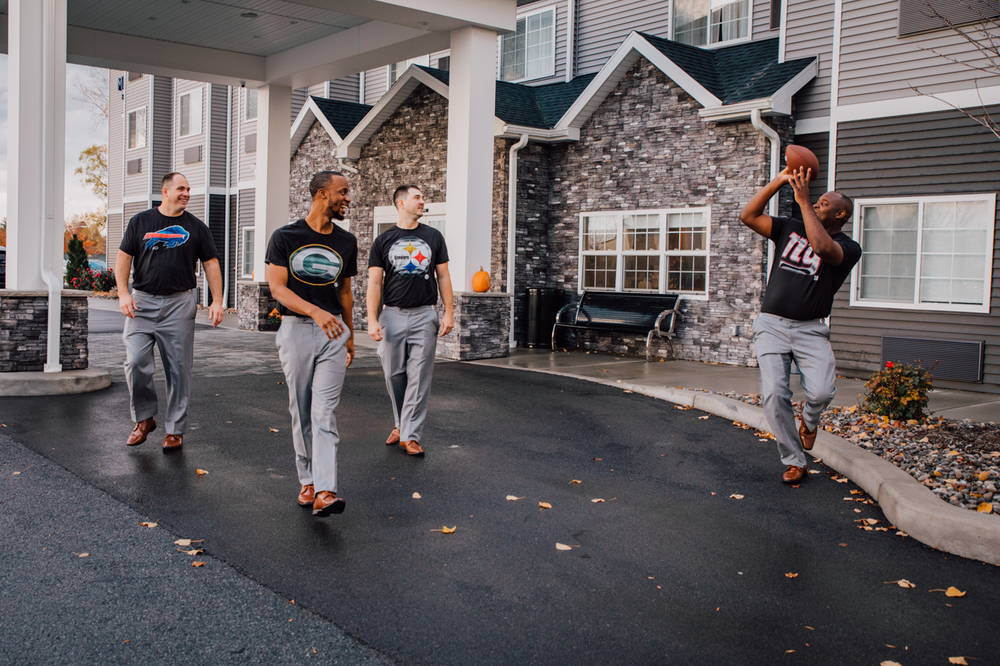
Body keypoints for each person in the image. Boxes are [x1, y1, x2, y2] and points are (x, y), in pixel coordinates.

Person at [739, 166, 862, 484]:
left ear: (841, 214)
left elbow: (823, 249)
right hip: (772, 326)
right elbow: (748, 215)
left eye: (824, 203)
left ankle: (810, 421)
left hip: (810, 329)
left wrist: (805, 201)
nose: (817, 204)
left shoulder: (849, 248)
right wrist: (779, 181)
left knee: (821, 392)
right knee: (774, 394)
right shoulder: (789, 227)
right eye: (816, 201)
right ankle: (795, 460)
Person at [266, 171, 358, 517]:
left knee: (323, 412)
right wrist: (315, 312)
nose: (348, 198)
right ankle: (307, 480)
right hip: (296, 329)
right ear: (322, 194)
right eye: (342, 192)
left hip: (334, 334)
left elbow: (346, 293)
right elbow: (277, 288)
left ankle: (325, 490)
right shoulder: (285, 237)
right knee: (300, 408)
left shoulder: (346, 241)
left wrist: (350, 336)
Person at [116, 172, 224, 451]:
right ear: (165, 191)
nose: (186, 193)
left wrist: (217, 300)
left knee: (178, 369)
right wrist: (123, 293)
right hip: (142, 303)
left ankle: (175, 430)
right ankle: (144, 419)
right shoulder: (141, 221)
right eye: (181, 188)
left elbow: (211, 263)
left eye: (189, 189)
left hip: (179, 303)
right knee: (135, 362)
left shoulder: (196, 227)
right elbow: (124, 257)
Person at [367, 185, 454, 457]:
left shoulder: (433, 236)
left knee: (419, 376)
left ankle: (411, 435)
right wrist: (371, 319)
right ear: (401, 203)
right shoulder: (383, 240)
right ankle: (400, 424)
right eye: (417, 197)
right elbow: (374, 282)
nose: (422, 201)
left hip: (424, 314)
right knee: (394, 374)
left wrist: (449, 312)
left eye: (422, 197)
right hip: (391, 315)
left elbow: (443, 276)